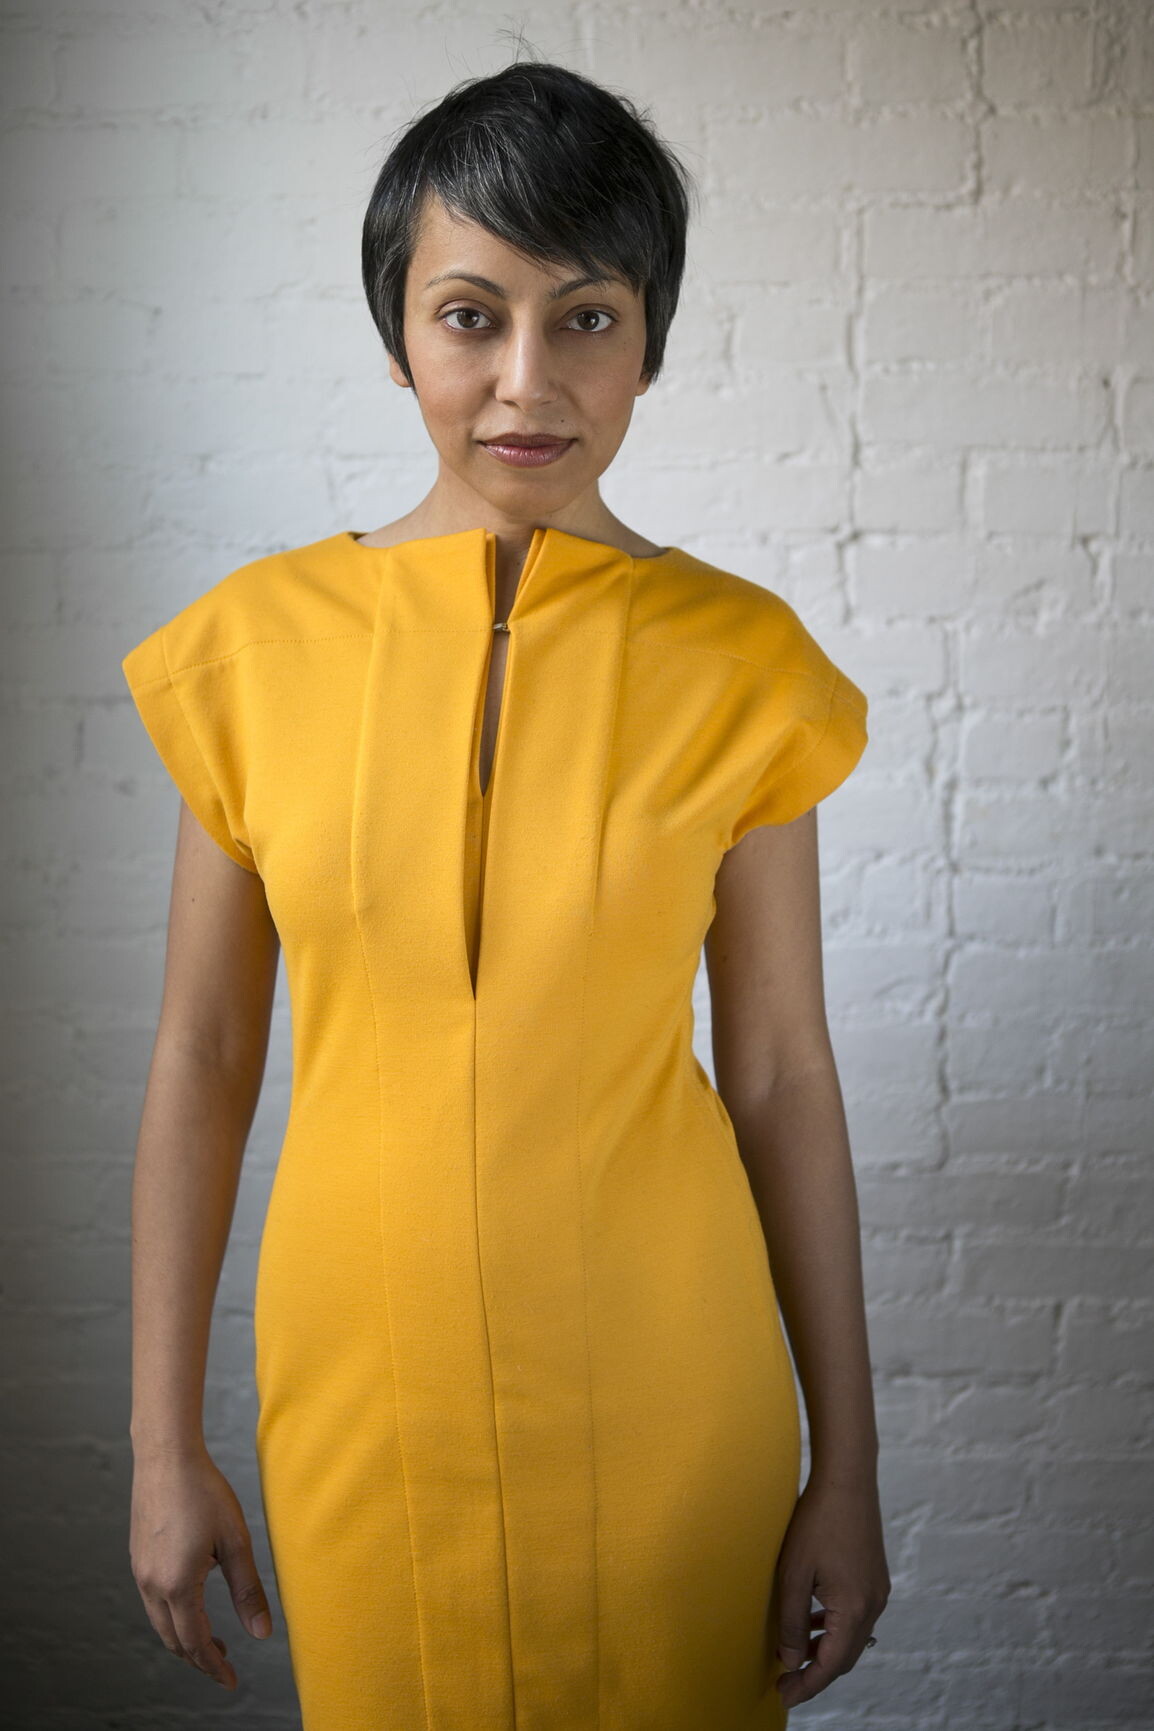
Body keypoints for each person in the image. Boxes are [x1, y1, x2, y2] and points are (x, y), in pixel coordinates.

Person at [124, 56, 889, 1731]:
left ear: (650, 341)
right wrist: (160, 1443)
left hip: (673, 1381)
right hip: (360, 1379)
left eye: (586, 318)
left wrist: (847, 1466)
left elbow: (779, 1072)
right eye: (470, 317)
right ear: (398, 333)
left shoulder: (744, 664)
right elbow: (201, 1055)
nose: (525, 382)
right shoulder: (250, 655)